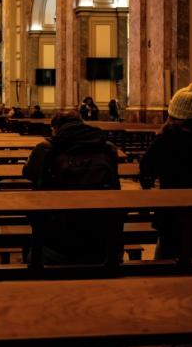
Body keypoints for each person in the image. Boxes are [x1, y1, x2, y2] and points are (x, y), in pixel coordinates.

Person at [22, 110, 121, 265]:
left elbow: (27, 173)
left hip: (57, 245)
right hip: (104, 243)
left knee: (33, 254)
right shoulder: (108, 148)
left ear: (54, 129)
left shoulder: (45, 149)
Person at [140, 80, 192, 260]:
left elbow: (146, 168)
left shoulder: (166, 139)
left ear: (173, 113)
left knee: (167, 256)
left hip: (172, 212)